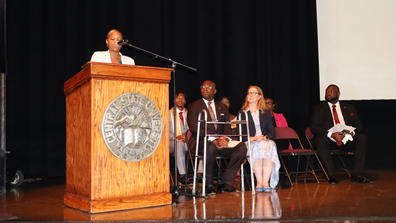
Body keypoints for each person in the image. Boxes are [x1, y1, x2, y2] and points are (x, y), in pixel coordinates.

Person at [187, 80, 247, 193]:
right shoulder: (194, 106)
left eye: (208, 87)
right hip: (201, 141)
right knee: (210, 147)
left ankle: (227, 182)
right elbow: (194, 127)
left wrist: (225, 138)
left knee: (241, 147)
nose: (205, 89)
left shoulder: (222, 106)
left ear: (214, 91)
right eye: (203, 87)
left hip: (220, 141)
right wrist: (214, 139)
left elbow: (227, 126)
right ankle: (208, 184)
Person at [310, 84, 371, 184]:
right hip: (330, 138)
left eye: (331, 91)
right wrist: (331, 134)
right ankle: (332, 176)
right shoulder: (319, 108)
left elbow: (359, 125)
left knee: (362, 138)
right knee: (320, 141)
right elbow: (314, 127)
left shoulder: (349, 107)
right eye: (327, 91)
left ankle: (356, 174)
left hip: (346, 137)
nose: (328, 93)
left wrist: (350, 132)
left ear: (338, 93)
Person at [240, 86, 280, 192]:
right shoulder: (242, 113)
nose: (251, 95)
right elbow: (238, 133)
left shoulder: (265, 113)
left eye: (254, 93)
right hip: (250, 141)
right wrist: (251, 138)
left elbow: (272, 132)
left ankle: (265, 182)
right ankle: (259, 182)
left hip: (264, 140)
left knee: (269, 144)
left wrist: (264, 137)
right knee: (257, 146)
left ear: (259, 96)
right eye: (249, 93)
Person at [169, 93, 189, 184]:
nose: (180, 100)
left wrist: (187, 137)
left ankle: (200, 174)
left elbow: (192, 128)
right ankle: (182, 174)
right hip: (173, 142)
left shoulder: (190, 113)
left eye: (182, 98)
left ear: (185, 101)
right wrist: (176, 137)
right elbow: (165, 131)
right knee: (179, 144)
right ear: (174, 100)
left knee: (202, 145)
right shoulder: (168, 114)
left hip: (188, 141)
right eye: (178, 98)